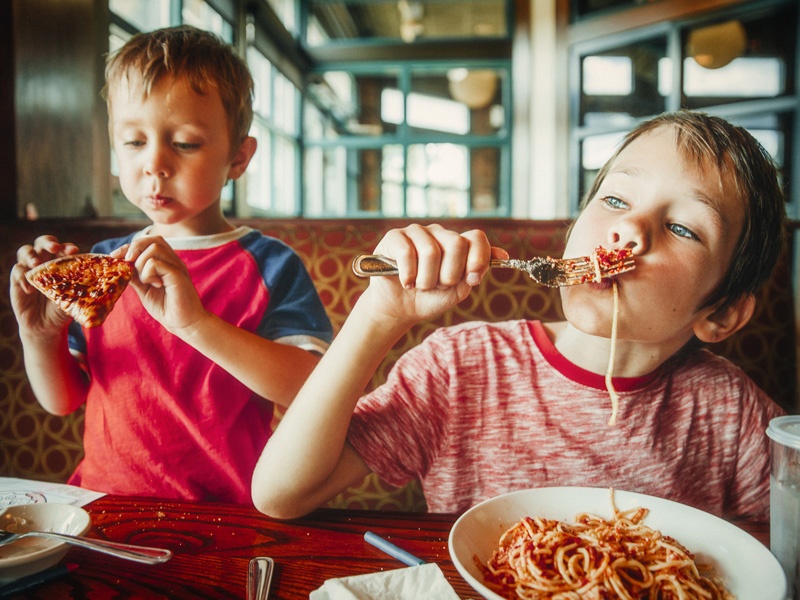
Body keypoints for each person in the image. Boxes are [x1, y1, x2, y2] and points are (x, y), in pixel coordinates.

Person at [251, 110, 786, 522]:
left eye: (683, 228)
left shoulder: (730, 411)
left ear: (721, 314)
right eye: (616, 200)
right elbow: (281, 493)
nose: (628, 231)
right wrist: (378, 314)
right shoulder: (460, 367)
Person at [10, 25, 333, 504]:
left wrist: (198, 324)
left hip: (229, 512)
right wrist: (39, 336)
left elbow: (312, 393)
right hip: (102, 504)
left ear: (238, 157)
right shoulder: (102, 266)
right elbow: (63, 400)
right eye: (134, 142)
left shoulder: (269, 265)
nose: (155, 164)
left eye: (184, 143)